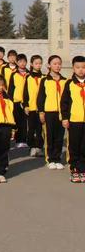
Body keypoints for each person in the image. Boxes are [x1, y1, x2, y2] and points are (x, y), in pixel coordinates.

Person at [37, 55, 67, 169]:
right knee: (50, 136)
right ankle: (50, 159)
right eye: (55, 63)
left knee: (59, 136)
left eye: (59, 63)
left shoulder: (65, 81)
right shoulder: (44, 80)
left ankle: (57, 158)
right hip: (49, 112)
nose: (57, 66)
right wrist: (41, 112)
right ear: (49, 65)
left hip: (61, 112)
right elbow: (41, 97)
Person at [60, 55, 85, 183]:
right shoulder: (69, 83)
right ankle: (75, 169)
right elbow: (64, 102)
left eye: (83, 67)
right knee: (74, 145)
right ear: (73, 68)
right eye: (78, 67)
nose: (81, 70)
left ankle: (83, 169)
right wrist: (65, 118)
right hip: (74, 120)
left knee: (84, 146)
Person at [23, 55, 44, 157]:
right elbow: (25, 92)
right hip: (31, 107)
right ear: (31, 64)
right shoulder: (28, 77)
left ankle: (39, 147)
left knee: (40, 129)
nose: (38, 65)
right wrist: (25, 105)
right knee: (31, 128)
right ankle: (32, 147)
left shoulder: (44, 77)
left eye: (40, 63)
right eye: (36, 63)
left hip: (41, 109)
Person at [7, 53, 28, 148]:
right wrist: (10, 100)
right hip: (17, 101)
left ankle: (25, 139)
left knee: (25, 122)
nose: (22, 63)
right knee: (18, 121)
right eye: (20, 61)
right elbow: (11, 89)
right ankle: (18, 140)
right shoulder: (14, 74)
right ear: (17, 62)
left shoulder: (29, 74)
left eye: (24, 61)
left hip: (27, 102)